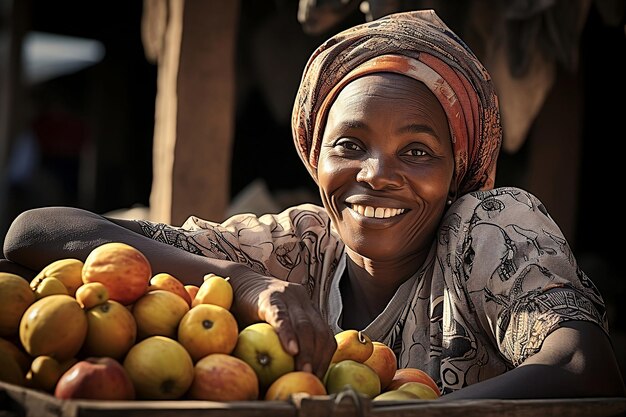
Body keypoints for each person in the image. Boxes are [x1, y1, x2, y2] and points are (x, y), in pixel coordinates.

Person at [2, 10, 624, 399]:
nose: (376, 175)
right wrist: (243, 281)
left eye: (417, 151)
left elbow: (582, 365)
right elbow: (33, 233)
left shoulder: (485, 230)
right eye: (351, 144)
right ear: (314, 158)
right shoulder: (295, 247)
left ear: (457, 169)